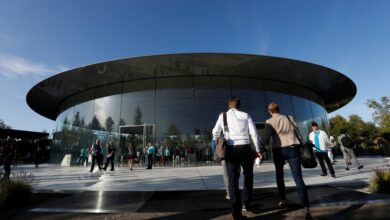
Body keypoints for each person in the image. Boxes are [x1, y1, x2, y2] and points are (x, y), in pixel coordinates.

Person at [212, 97, 263, 220]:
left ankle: (236, 213)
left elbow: (215, 132)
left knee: (233, 181)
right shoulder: (246, 115)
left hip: (230, 149)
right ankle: (246, 203)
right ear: (239, 105)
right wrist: (258, 150)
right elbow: (254, 134)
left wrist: (218, 140)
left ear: (229, 105)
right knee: (248, 176)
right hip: (245, 148)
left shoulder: (223, 116)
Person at [260, 103, 310, 217]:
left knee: (279, 176)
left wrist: (261, 148)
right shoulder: (290, 118)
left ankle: (282, 200)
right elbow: (297, 132)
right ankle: (305, 205)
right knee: (298, 178)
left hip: (278, 151)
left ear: (269, 111)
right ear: (279, 109)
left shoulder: (269, 121)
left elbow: (266, 137)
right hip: (293, 148)